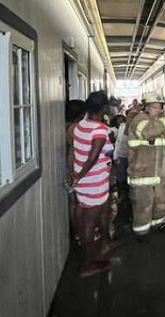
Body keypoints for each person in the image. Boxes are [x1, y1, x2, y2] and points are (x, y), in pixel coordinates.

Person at [71, 91, 118, 277]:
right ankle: (88, 263)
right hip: (92, 182)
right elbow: (92, 157)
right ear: (104, 108)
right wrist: (79, 176)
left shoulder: (81, 125)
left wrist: (76, 175)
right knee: (89, 223)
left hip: (89, 181)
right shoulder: (99, 130)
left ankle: (106, 243)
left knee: (103, 212)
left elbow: (78, 152)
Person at [127, 93, 165, 237]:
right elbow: (149, 132)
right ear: (146, 108)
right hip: (142, 173)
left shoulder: (162, 121)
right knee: (143, 204)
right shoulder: (139, 120)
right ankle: (141, 231)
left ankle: (159, 223)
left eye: (160, 107)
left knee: (162, 200)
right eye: (154, 107)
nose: (158, 110)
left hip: (161, 172)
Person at [65, 99, 87, 243]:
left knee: (75, 202)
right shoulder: (75, 128)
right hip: (74, 168)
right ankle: (80, 232)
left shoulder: (67, 126)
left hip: (70, 168)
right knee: (79, 203)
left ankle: (78, 232)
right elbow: (75, 152)